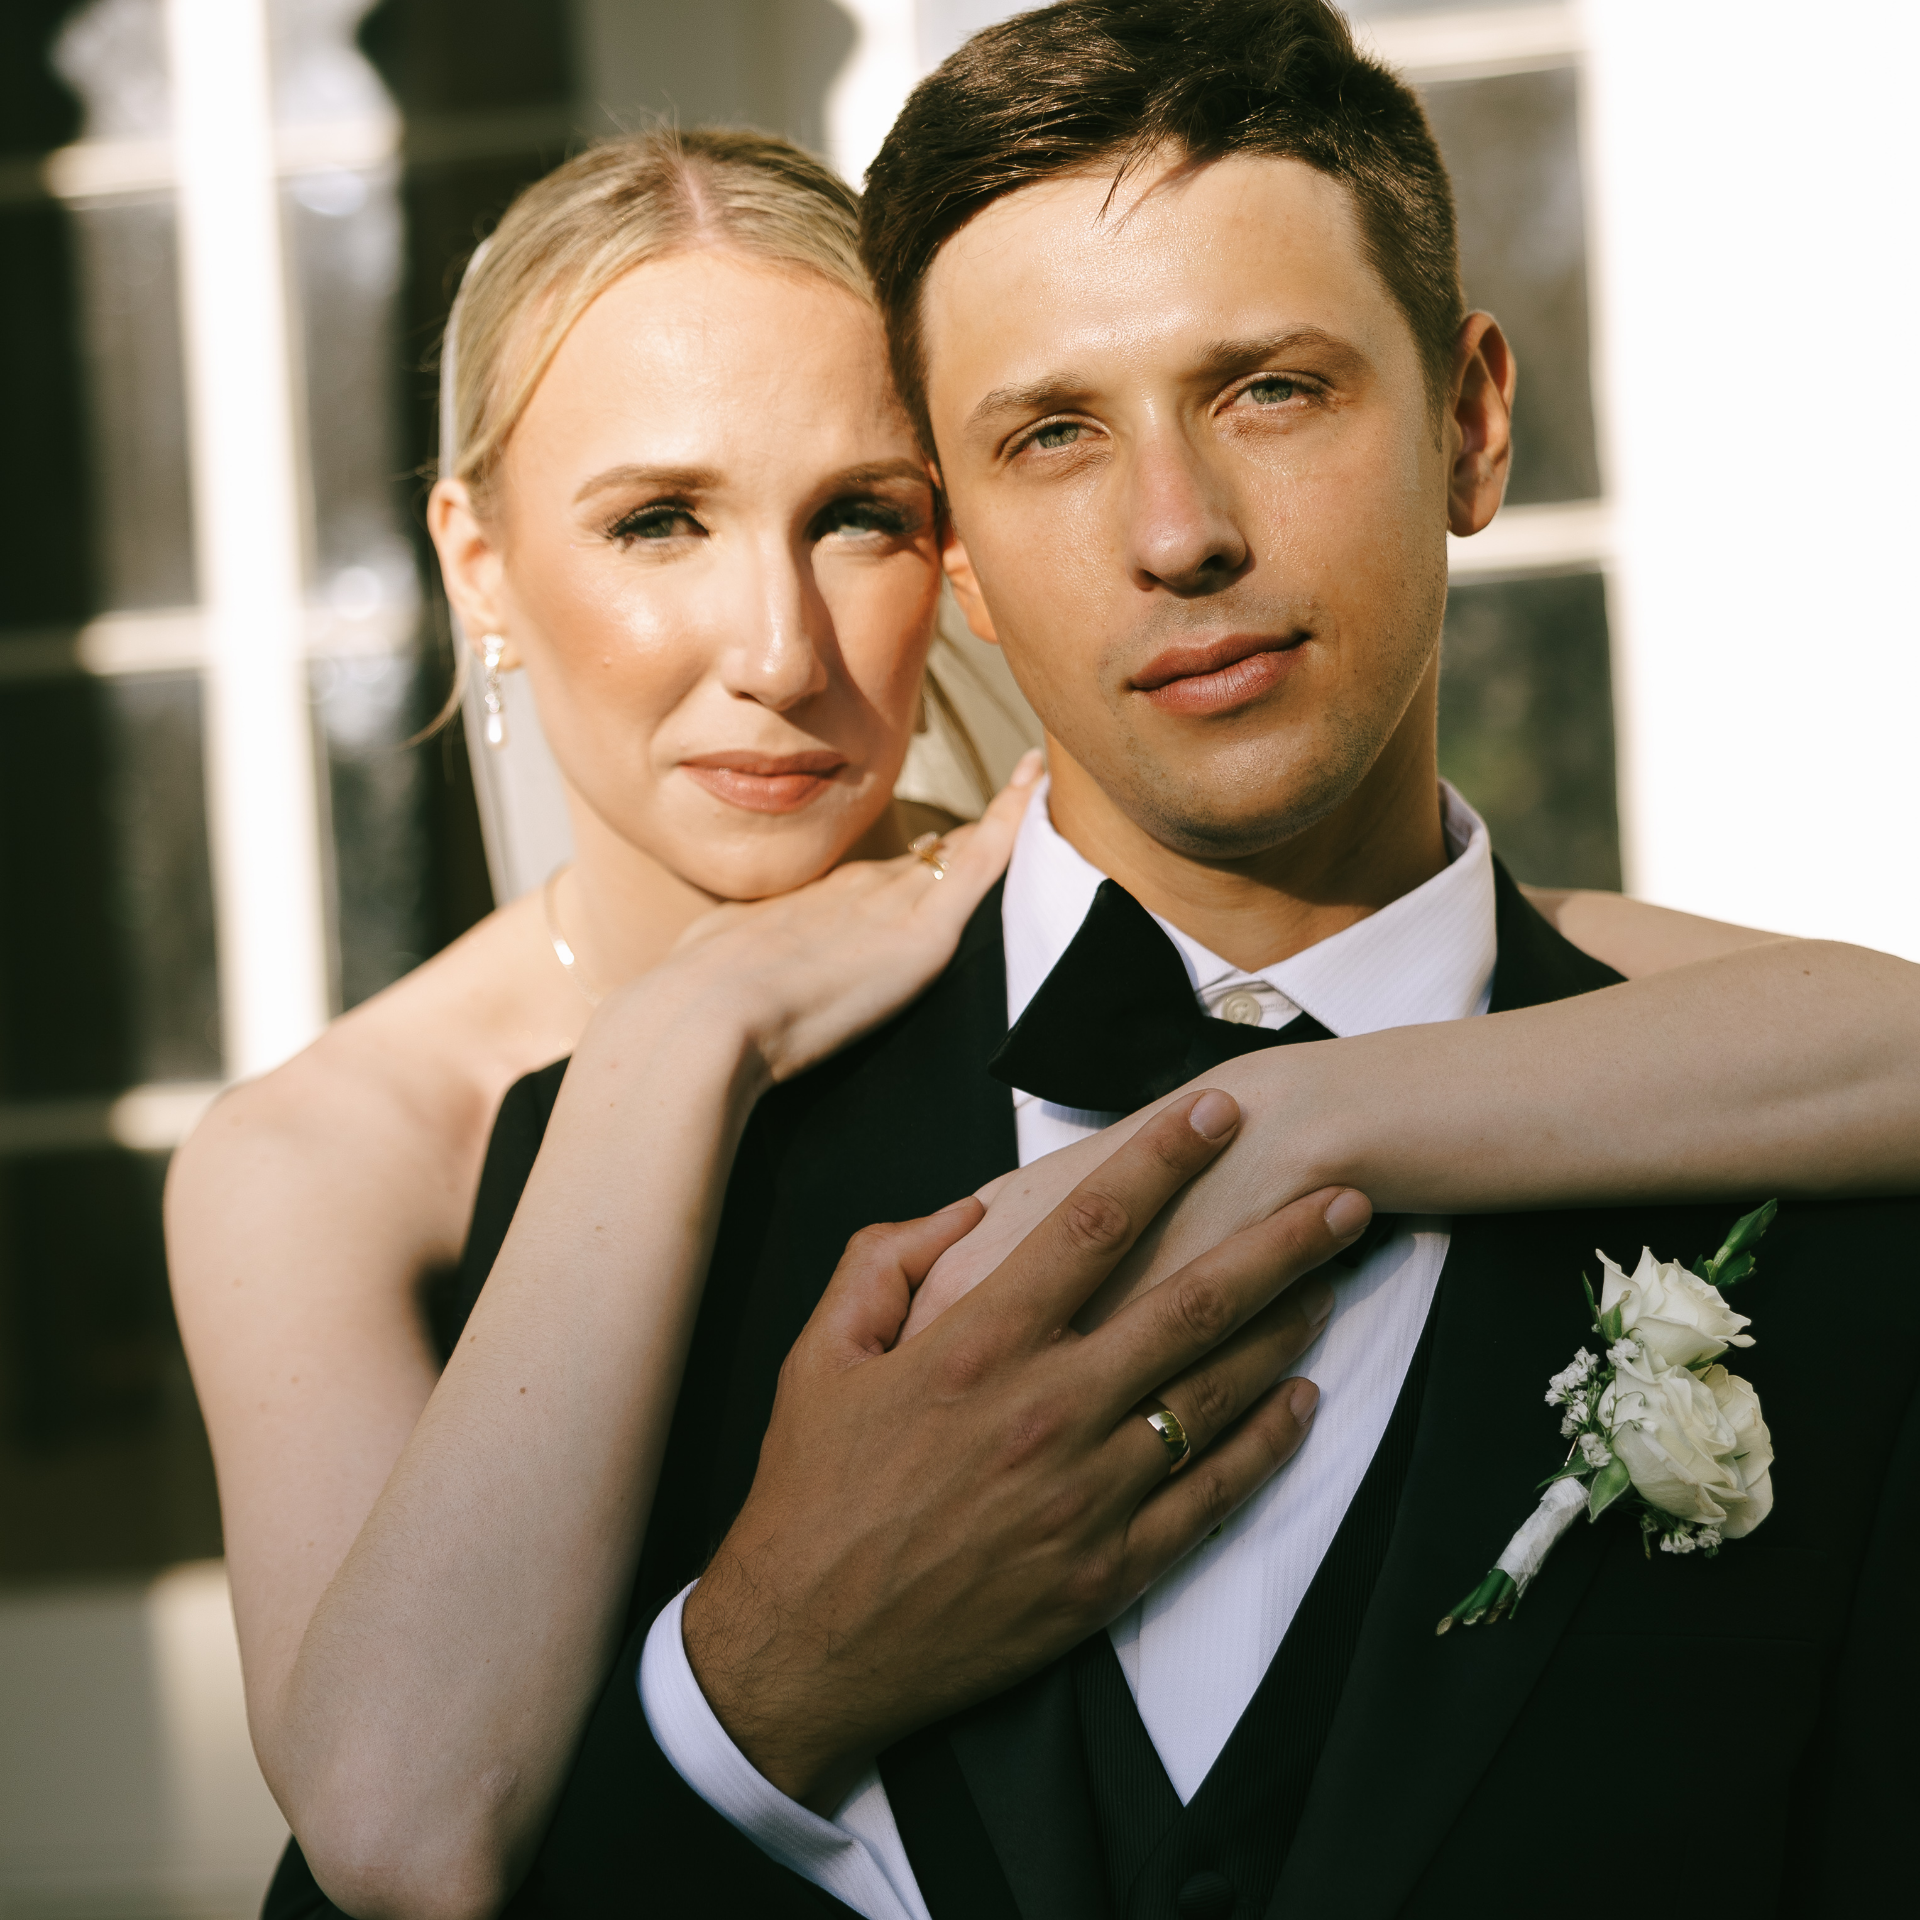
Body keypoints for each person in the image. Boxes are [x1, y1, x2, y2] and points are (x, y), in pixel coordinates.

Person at [170, 97, 1914, 1920]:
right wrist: (679, 1041)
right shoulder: (355, 1155)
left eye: (863, 514)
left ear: (956, 553)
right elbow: (389, 1843)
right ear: (478, 560)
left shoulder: (1339, 948)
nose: (777, 652)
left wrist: (1317, 1104)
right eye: (659, 520)